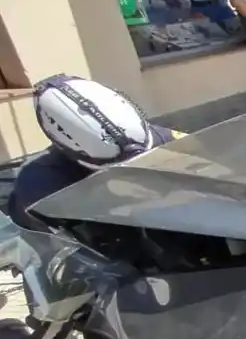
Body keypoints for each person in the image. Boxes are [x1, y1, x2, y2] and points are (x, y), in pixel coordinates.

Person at [8, 75, 177, 233]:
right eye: (118, 166)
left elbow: (198, 161)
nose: (133, 167)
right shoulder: (41, 183)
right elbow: (71, 247)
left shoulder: (156, 138)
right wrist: (117, 202)